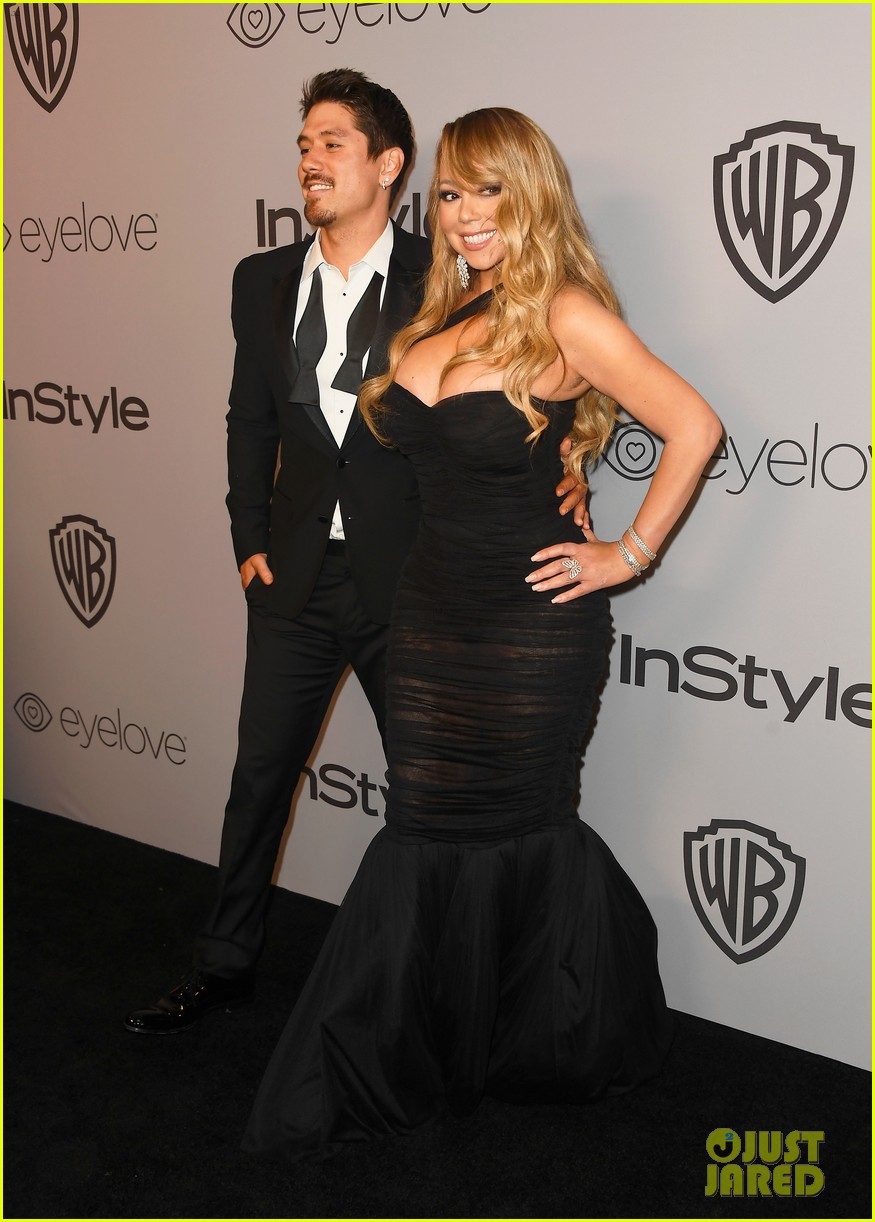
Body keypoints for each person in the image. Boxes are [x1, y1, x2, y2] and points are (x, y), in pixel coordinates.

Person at [241, 107, 722, 1159]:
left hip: (525, 635)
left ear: (531, 194)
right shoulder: (446, 309)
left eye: (486, 190)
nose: (463, 214)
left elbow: (693, 425)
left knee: (510, 824)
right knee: (427, 826)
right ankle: (448, 1042)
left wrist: (626, 554)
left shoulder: (564, 309)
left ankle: (536, 1036)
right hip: (427, 619)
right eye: (451, 193)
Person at [125, 75, 586, 1035]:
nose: (309, 159)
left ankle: (443, 983)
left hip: (414, 584)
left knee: (431, 796)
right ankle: (223, 961)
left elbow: (539, 371)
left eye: (332, 142)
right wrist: (248, 538)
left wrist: (571, 458)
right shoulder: (258, 279)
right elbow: (248, 419)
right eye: (303, 142)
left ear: (387, 165)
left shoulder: (448, 274)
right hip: (292, 580)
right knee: (259, 778)